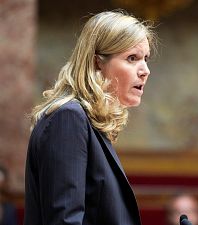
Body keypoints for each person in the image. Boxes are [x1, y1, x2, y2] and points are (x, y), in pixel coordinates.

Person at [25, 10, 156, 225]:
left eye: (146, 59)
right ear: (97, 63)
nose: (145, 70)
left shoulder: (86, 121)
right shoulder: (68, 119)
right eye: (132, 58)